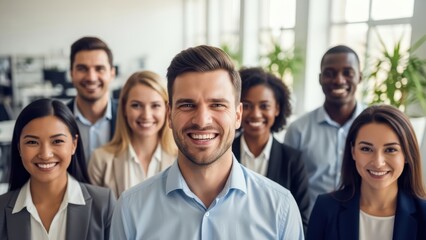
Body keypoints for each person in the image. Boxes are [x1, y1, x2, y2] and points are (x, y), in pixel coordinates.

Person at [110, 45, 304, 239]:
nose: (202, 121)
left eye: (217, 105)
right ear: (169, 115)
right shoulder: (131, 209)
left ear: (237, 115)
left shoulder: (280, 208)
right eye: (187, 105)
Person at [0, 98, 115, 239]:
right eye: (32, 142)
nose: (45, 154)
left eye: (57, 141)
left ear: (74, 144)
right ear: (19, 147)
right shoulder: (1, 209)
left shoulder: (103, 204)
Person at [307, 105, 426, 240]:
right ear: (353, 152)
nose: (378, 162)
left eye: (390, 150)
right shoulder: (326, 208)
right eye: (366, 149)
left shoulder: (423, 214)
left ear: (407, 154)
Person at [284, 45, 364, 214]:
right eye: (330, 73)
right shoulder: (298, 130)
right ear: (320, 78)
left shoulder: (375, 127)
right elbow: (288, 186)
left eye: (348, 72)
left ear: (360, 77)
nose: (339, 80)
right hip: (313, 223)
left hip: (362, 221)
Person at [232, 67, 309, 231]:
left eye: (264, 106)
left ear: (277, 109)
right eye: (247, 105)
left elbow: (302, 219)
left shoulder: (292, 160)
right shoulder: (224, 152)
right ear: (237, 109)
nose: (255, 114)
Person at [88, 70, 177, 198]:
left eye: (155, 105)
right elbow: (97, 215)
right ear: (124, 108)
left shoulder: (181, 159)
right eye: (136, 105)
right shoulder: (101, 160)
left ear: (167, 110)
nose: (146, 115)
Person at [68, 36, 118, 162]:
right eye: (82, 69)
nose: (91, 77)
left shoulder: (129, 117)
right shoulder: (57, 119)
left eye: (99, 69)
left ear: (112, 73)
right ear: (71, 73)